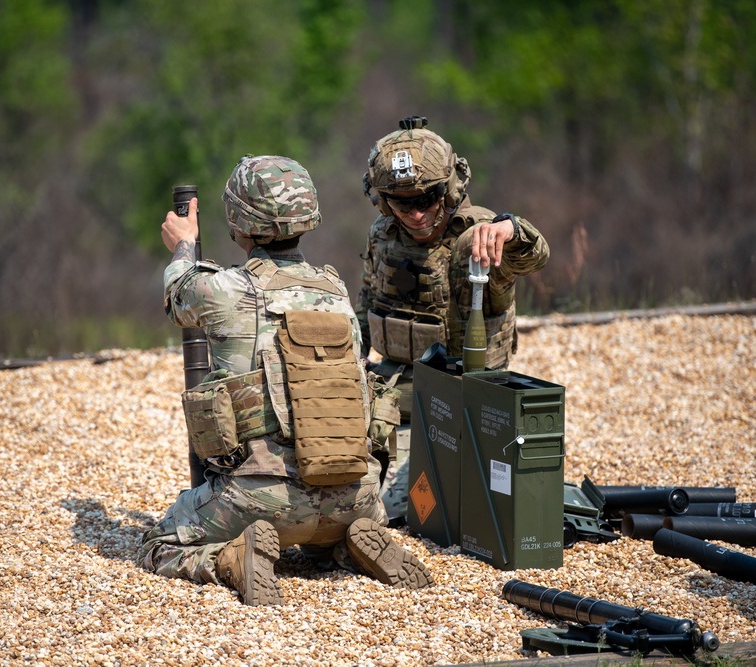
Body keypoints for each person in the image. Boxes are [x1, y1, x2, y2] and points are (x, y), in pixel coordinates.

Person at [140, 154, 433, 606]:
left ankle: (230, 559)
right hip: (356, 494)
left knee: (158, 545)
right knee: (320, 534)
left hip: (262, 497)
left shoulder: (227, 290)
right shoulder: (335, 292)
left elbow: (178, 292)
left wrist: (185, 244)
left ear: (239, 221)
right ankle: (343, 545)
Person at [357, 117, 551, 524]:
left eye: (427, 199)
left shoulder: (477, 237)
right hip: (391, 390)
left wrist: (510, 229)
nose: (415, 214)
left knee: (395, 510)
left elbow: (534, 255)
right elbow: (366, 305)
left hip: (456, 398)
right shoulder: (382, 234)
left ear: (449, 189)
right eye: (401, 202)